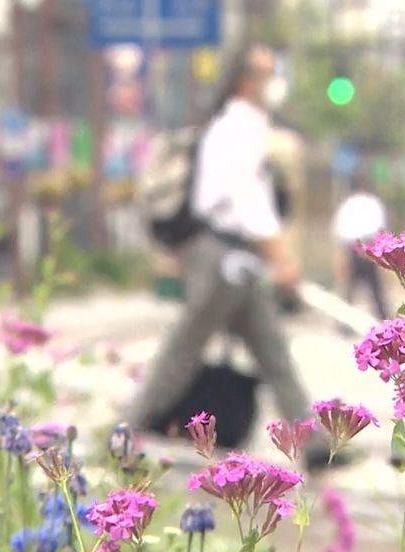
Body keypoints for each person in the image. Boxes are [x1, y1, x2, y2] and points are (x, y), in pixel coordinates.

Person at [128, 45, 315, 449]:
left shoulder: (250, 128)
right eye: (268, 73)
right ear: (245, 81)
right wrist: (281, 259)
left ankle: (316, 447)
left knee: (273, 350)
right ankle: (129, 429)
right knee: (183, 347)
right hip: (218, 255)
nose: (276, 81)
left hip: (239, 258)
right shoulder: (234, 129)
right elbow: (249, 203)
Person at [332, 173, 390, 321]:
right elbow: (381, 229)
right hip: (370, 248)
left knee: (350, 291)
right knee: (375, 291)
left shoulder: (347, 205)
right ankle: (385, 321)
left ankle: (344, 324)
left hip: (354, 248)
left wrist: (341, 258)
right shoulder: (373, 203)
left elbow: (340, 232)